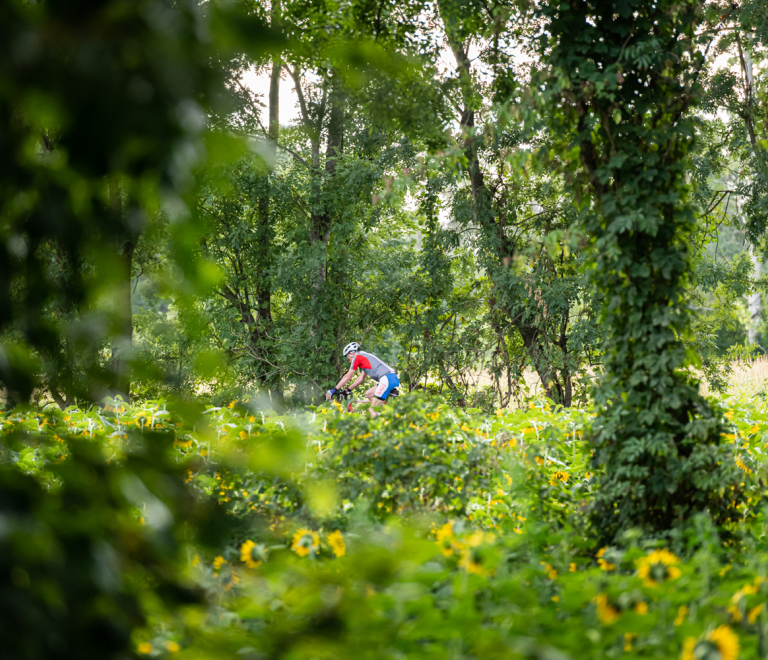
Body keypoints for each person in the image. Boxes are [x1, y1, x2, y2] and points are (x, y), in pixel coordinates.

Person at [326, 342, 399, 417]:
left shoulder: (357, 357)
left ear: (351, 353)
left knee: (372, 411)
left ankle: (389, 419)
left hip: (386, 378)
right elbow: (361, 378)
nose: (349, 361)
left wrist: (333, 390)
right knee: (369, 394)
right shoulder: (364, 357)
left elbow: (347, 376)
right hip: (390, 377)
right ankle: (387, 414)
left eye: (348, 359)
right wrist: (348, 389)